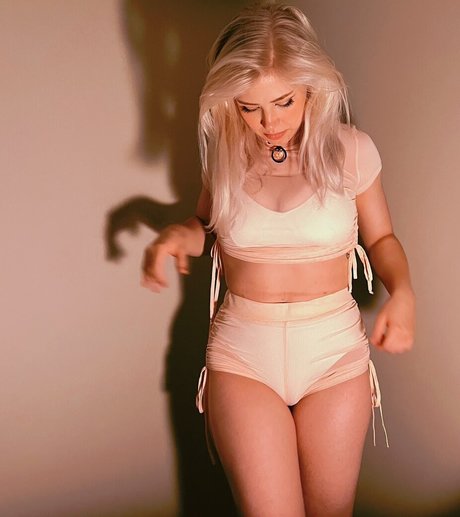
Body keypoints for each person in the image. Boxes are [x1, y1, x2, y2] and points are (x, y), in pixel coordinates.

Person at [141, 3, 415, 516]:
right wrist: (179, 234)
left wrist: (403, 292)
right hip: (243, 355)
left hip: (333, 354)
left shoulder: (353, 151)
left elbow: (382, 240)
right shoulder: (226, 154)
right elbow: (205, 227)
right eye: (250, 107)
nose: (269, 123)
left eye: (284, 102)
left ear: (312, 86)